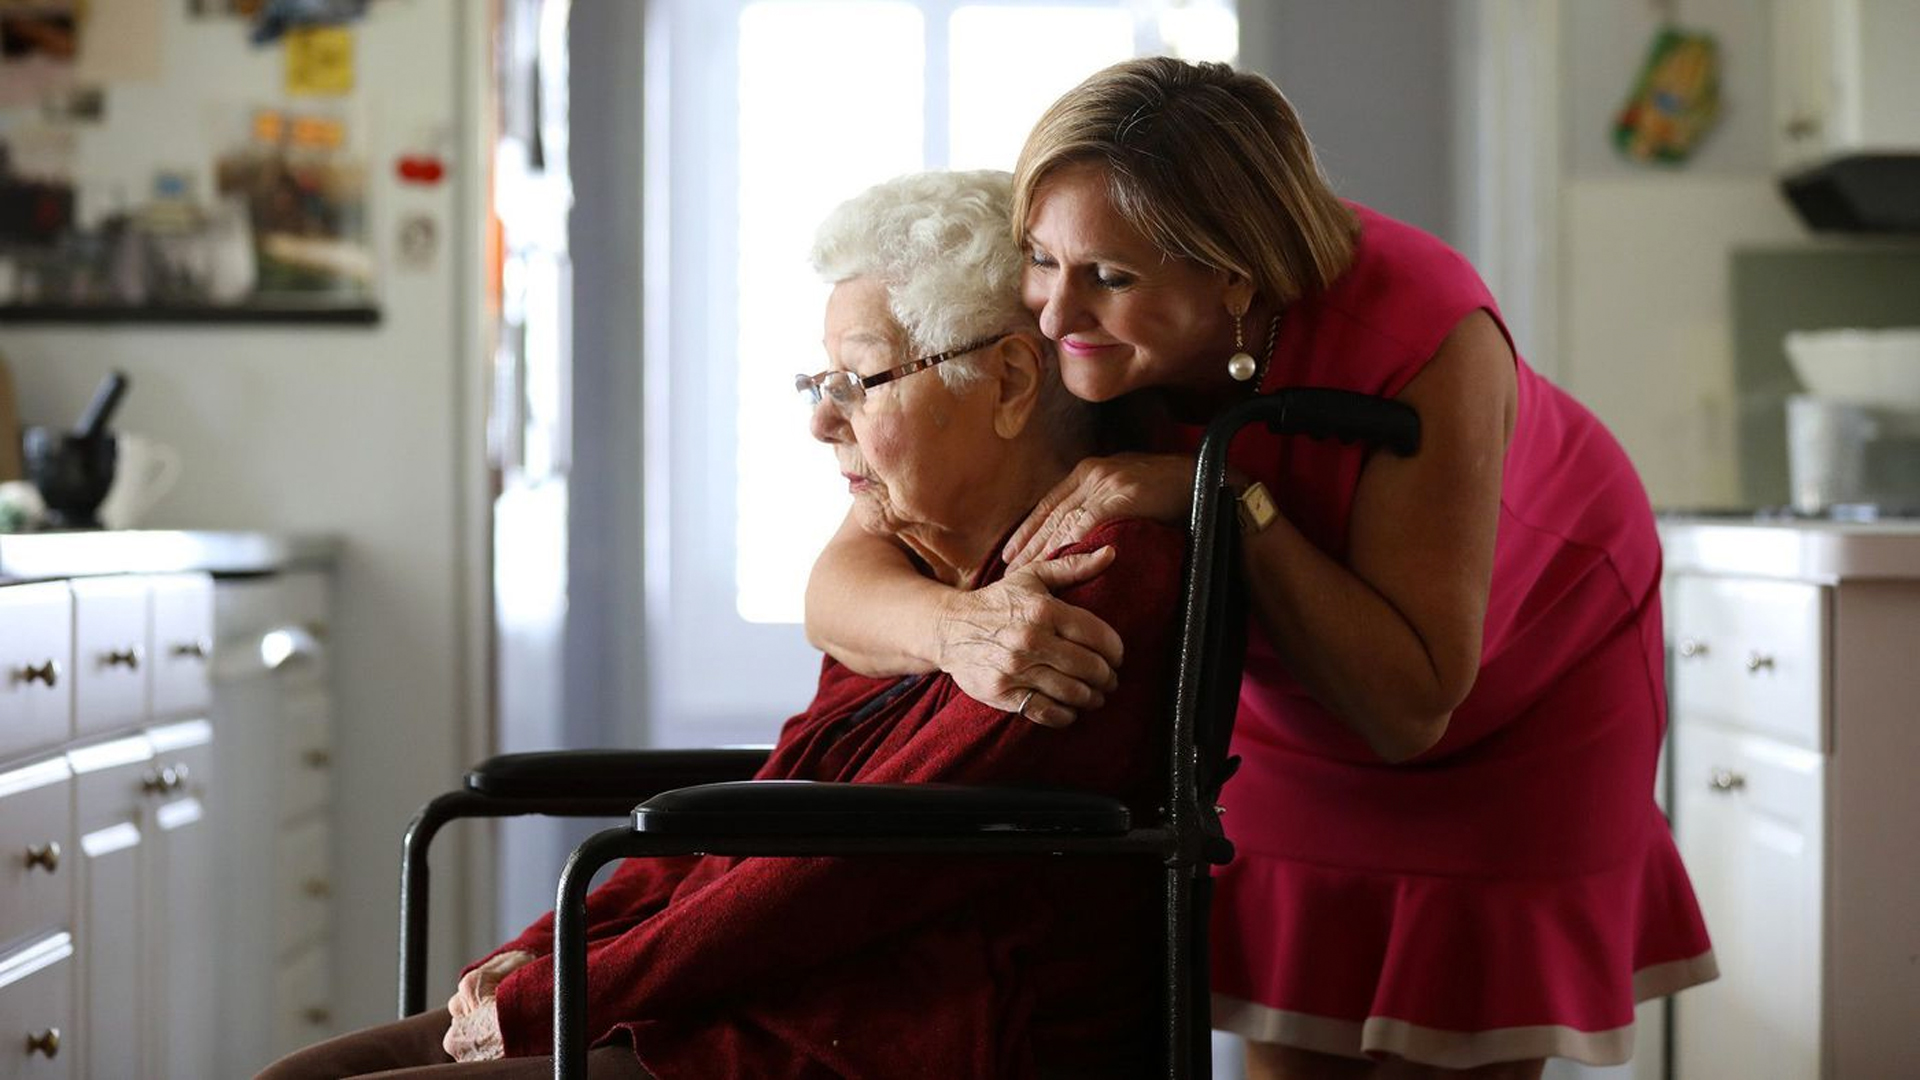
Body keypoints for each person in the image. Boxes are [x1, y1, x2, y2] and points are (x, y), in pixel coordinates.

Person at [803, 58, 1716, 1079]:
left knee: (1456, 1038)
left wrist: (1221, 492)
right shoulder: (1062, 323)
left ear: (1230, 274)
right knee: (1293, 1041)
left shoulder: (1426, 335)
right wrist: (954, 631)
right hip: (1291, 698)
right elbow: (841, 579)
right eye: (1039, 257)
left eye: (1108, 277)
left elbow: (1411, 711)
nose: (1056, 314)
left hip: (1523, 671)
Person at [255, 169, 1185, 1080]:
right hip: (762, 992)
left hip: (891, 1026)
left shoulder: (1088, 579)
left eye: (860, 379)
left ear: (1013, 383)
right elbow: (765, 819)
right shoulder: (921, 559)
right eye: (819, 382)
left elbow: (832, 877)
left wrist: (562, 991)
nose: (824, 420)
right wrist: (551, 951)